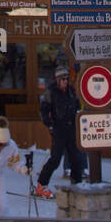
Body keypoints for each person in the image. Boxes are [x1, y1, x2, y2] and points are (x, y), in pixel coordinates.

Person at [35, 65, 85, 197]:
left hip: (71, 128)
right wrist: (50, 124)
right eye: (62, 79)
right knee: (55, 159)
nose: (65, 82)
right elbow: (44, 110)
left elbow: (77, 106)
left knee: (76, 157)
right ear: (57, 80)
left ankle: (77, 183)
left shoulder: (71, 91)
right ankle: (41, 185)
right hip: (59, 129)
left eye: (66, 79)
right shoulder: (51, 92)